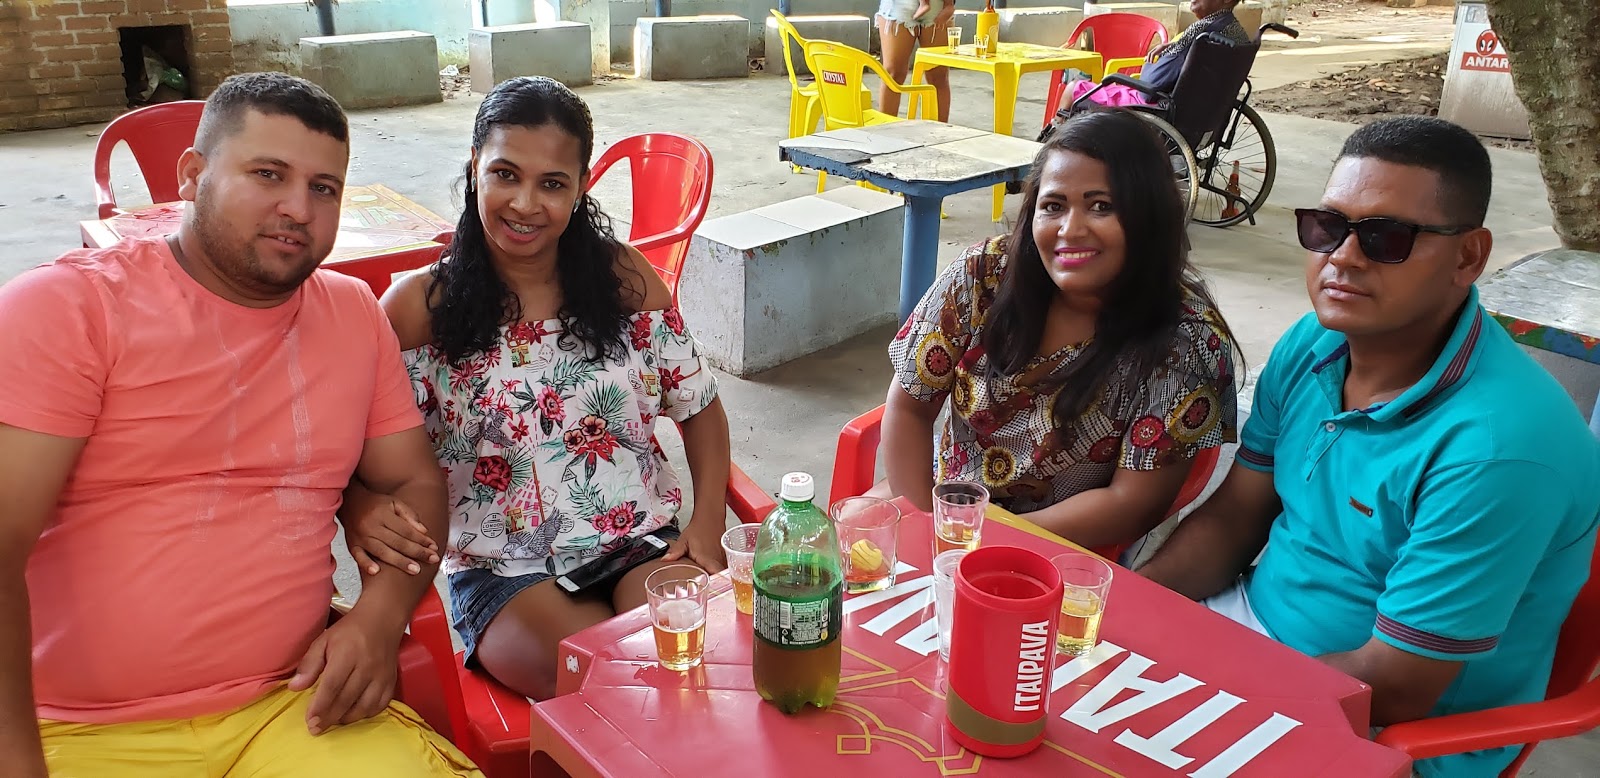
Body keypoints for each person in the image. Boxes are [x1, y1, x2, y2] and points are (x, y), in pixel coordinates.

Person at [0, 73, 479, 777]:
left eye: (324, 188)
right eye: (268, 174)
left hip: (290, 707)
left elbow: (414, 482)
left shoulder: (352, 313)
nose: (298, 209)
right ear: (193, 175)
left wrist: (379, 619)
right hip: (75, 729)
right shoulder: (68, 310)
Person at [1138, 116, 1600, 778]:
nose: (1343, 257)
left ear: (1468, 257)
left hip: (1387, 728)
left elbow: (1400, 684)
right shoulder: (1314, 343)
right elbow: (1235, 518)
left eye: (1387, 238)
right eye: (1327, 227)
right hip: (1250, 637)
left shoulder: (1499, 450)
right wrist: (1129, 611)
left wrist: (1211, 699)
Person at [341, 77, 732, 701]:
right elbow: (349, 449)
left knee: (692, 657)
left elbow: (700, 407)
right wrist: (357, 504)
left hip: (640, 540)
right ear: (475, 167)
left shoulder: (623, 278)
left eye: (552, 183)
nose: (525, 204)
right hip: (505, 568)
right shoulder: (418, 308)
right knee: (603, 678)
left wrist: (707, 522)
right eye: (505, 174)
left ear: (580, 188)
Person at [877, 109, 1238, 554]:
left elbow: (1131, 503)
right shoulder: (983, 276)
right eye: (1053, 206)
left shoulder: (1185, 341)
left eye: (1101, 206)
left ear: (1150, 216)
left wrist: (980, 544)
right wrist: (929, 529)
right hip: (946, 509)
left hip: (1061, 551)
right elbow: (910, 408)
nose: (1071, 229)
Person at [1070, 0, 1251, 108]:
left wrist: (1152, 63)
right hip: (1202, 113)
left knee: (1073, 89)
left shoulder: (1200, 31)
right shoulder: (1237, 33)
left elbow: (1149, 87)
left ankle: (1058, 145)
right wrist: (1174, 46)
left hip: (1157, 107)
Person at [876, 0, 954, 123]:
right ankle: (886, 130)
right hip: (899, 6)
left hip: (938, 5)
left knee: (938, 75)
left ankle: (939, 132)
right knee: (893, 75)